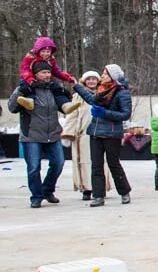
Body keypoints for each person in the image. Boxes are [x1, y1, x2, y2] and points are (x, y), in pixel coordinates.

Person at [73, 64, 134, 207]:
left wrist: (104, 113)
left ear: (113, 76)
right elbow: (90, 99)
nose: (102, 76)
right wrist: (77, 86)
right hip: (95, 133)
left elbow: (125, 114)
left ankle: (124, 192)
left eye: (105, 74)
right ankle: (98, 196)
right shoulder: (101, 90)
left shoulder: (121, 92)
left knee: (114, 164)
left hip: (112, 133)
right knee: (96, 165)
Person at [7, 61, 67, 208]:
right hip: (31, 135)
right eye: (43, 73)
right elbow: (12, 107)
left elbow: (64, 106)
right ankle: (36, 196)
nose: (47, 75)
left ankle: (47, 190)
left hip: (52, 134)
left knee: (58, 163)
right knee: (34, 167)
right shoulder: (26, 89)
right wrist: (19, 91)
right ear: (35, 74)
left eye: (48, 72)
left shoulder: (53, 89)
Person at [61, 70, 112, 200]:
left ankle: (100, 188)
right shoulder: (78, 96)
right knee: (84, 162)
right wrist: (68, 133)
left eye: (94, 79)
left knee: (100, 162)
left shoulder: (104, 94)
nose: (91, 81)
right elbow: (72, 115)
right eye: (88, 79)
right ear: (84, 81)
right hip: (83, 135)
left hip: (100, 133)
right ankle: (86, 189)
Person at [17, 36, 79, 115]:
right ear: (38, 50)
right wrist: (30, 79)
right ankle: (29, 100)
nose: (46, 54)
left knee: (58, 88)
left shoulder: (51, 59)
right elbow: (25, 69)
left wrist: (68, 77)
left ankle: (65, 104)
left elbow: (57, 71)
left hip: (46, 80)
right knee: (25, 86)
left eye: (48, 51)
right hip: (30, 78)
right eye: (43, 51)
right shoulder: (30, 57)